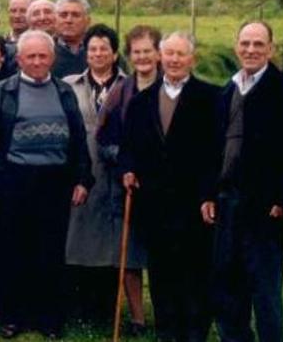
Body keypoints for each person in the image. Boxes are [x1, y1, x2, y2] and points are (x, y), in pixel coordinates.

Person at [202, 21, 283, 342]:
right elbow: (214, 150)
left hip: (266, 208)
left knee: (264, 291)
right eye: (245, 43)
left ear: (271, 48)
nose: (250, 50)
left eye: (258, 44)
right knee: (227, 287)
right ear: (236, 46)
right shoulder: (226, 91)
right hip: (227, 204)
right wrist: (209, 194)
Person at [0, 30, 92, 339]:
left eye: (43, 56)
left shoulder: (65, 92)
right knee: (14, 249)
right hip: (15, 178)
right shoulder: (0, 93)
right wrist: (2, 176)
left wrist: (82, 178)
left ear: (52, 59)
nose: (37, 61)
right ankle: (12, 317)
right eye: (31, 56)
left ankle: (49, 318)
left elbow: (79, 139)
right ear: (18, 60)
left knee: (51, 251)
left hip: (56, 179)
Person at [120, 31, 218, 342]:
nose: (174, 60)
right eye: (170, 54)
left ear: (193, 59)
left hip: (194, 203)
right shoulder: (140, 102)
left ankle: (194, 332)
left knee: (195, 271)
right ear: (160, 57)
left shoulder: (211, 97)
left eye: (181, 54)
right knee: (161, 272)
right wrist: (128, 169)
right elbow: (128, 146)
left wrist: (209, 194)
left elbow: (217, 153)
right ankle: (167, 331)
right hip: (154, 202)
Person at [93, 24, 163, 335]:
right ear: (129, 55)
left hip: (169, 186)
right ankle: (137, 318)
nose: (143, 57)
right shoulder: (121, 91)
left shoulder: (172, 84)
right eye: (137, 52)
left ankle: (169, 314)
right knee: (131, 255)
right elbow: (104, 138)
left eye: (148, 51)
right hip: (131, 184)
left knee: (165, 255)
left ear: (158, 53)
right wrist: (125, 164)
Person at [62, 24, 129, 327]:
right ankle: (78, 304)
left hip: (115, 173)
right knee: (79, 237)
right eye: (92, 49)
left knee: (111, 241)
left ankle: (105, 308)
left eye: (104, 48)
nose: (98, 54)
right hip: (81, 167)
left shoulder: (129, 86)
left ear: (115, 53)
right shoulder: (69, 85)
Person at [53, 0, 92, 78]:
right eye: (63, 15)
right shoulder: (45, 51)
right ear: (55, 20)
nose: (69, 20)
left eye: (75, 15)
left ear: (87, 21)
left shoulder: (102, 52)